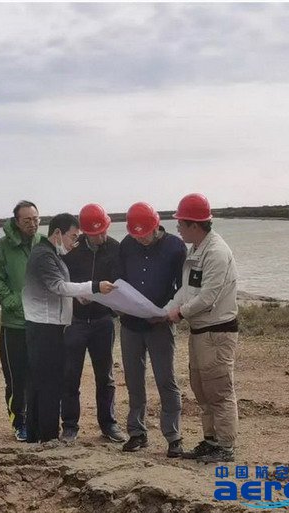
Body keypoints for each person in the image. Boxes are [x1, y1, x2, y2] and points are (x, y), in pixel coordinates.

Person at [22, 213, 116, 443]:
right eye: (73, 236)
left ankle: (40, 434)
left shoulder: (52, 253)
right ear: (57, 233)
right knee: (48, 382)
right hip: (44, 326)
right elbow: (59, 286)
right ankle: (47, 435)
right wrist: (94, 287)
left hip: (54, 324)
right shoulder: (44, 255)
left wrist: (79, 295)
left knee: (46, 381)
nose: (75, 242)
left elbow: (61, 289)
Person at [167, 193, 239, 463]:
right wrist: (165, 310)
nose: (177, 228)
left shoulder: (216, 252)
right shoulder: (197, 249)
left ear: (194, 225)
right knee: (202, 390)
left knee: (219, 391)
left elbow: (208, 296)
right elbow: (188, 291)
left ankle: (225, 446)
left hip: (217, 332)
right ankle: (211, 441)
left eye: (180, 224)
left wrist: (179, 313)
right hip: (200, 333)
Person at [118, 202, 187, 457]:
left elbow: (183, 287)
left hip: (161, 323)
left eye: (145, 234)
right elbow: (120, 281)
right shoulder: (126, 245)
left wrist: (168, 311)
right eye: (136, 235)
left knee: (165, 379)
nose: (141, 239)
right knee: (134, 380)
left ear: (156, 226)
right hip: (130, 324)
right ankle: (137, 432)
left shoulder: (175, 247)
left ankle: (173, 436)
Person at [60, 204, 127, 444]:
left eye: (104, 230)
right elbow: (62, 282)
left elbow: (121, 282)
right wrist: (77, 295)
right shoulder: (71, 251)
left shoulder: (115, 248)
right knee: (70, 375)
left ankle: (109, 424)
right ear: (86, 232)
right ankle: (69, 426)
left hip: (103, 321)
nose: (102, 236)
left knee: (105, 376)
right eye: (97, 233)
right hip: (75, 321)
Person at [0, 200, 43, 442]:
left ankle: (37, 420)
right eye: (27, 220)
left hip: (40, 323)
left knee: (39, 375)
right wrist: (13, 302)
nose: (32, 224)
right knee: (16, 379)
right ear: (17, 221)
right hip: (14, 325)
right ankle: (19, 422)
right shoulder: (1, 247)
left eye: (36, 219)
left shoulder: (43, 243)